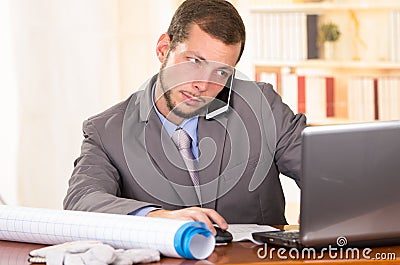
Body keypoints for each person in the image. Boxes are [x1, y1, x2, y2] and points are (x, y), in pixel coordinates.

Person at [64, 0, 306, 235]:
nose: (202, 84)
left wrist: (321, 203)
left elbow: (322, 170)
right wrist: (157, 218)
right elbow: (82, 200)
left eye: (221, 72)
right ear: (162, 49)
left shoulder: (260, 105)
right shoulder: (107, 131)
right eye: (193, 61)